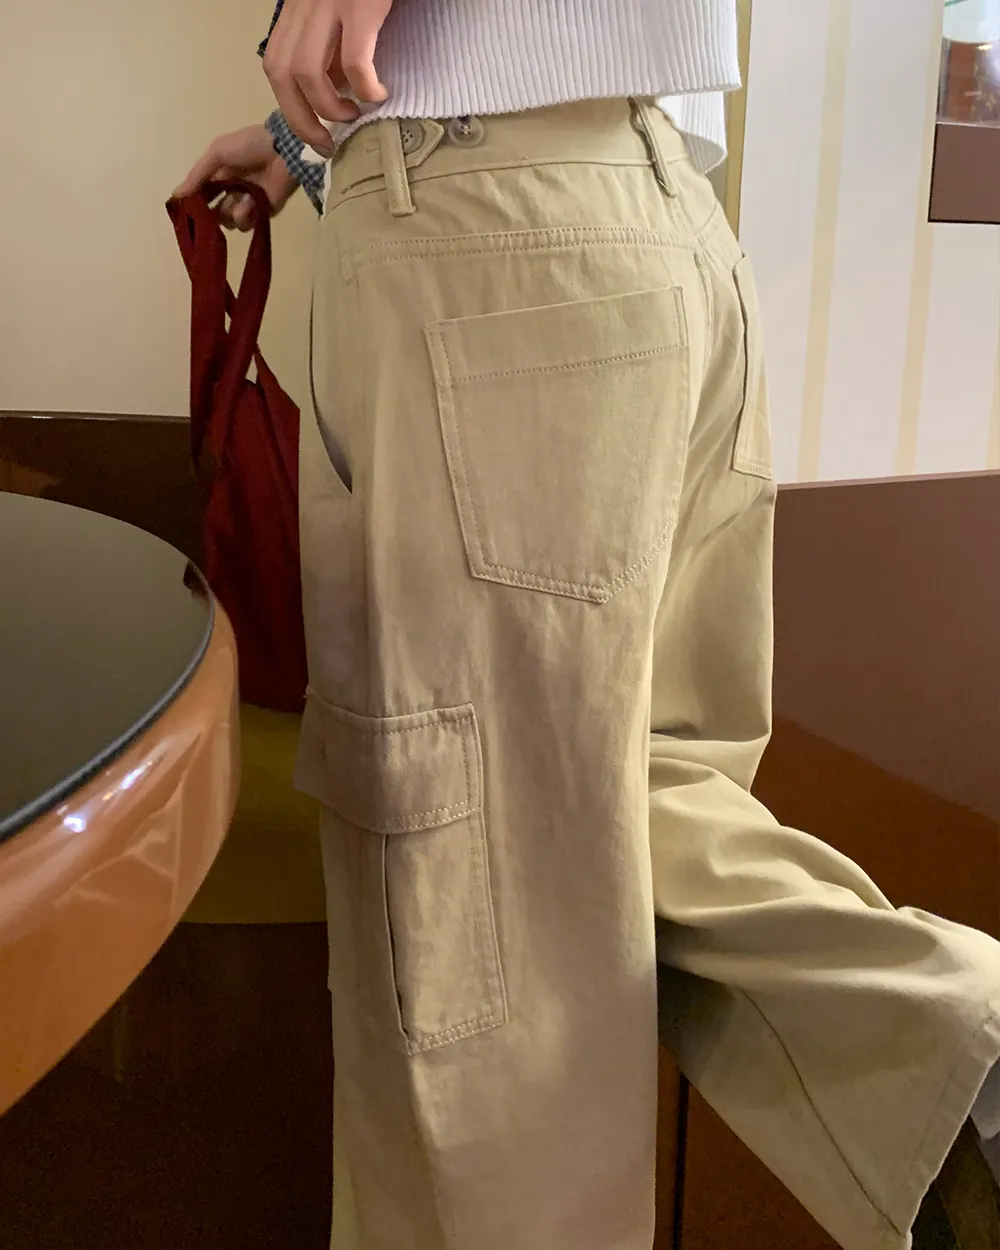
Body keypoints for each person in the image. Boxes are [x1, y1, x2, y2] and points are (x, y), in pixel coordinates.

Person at [176, 2, 1000, 1246]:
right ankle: (966, 1064)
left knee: (475, 929)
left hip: (489, 244)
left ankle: (971, 1051)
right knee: (614, 798)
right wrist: (307, 143)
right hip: (647, 222)